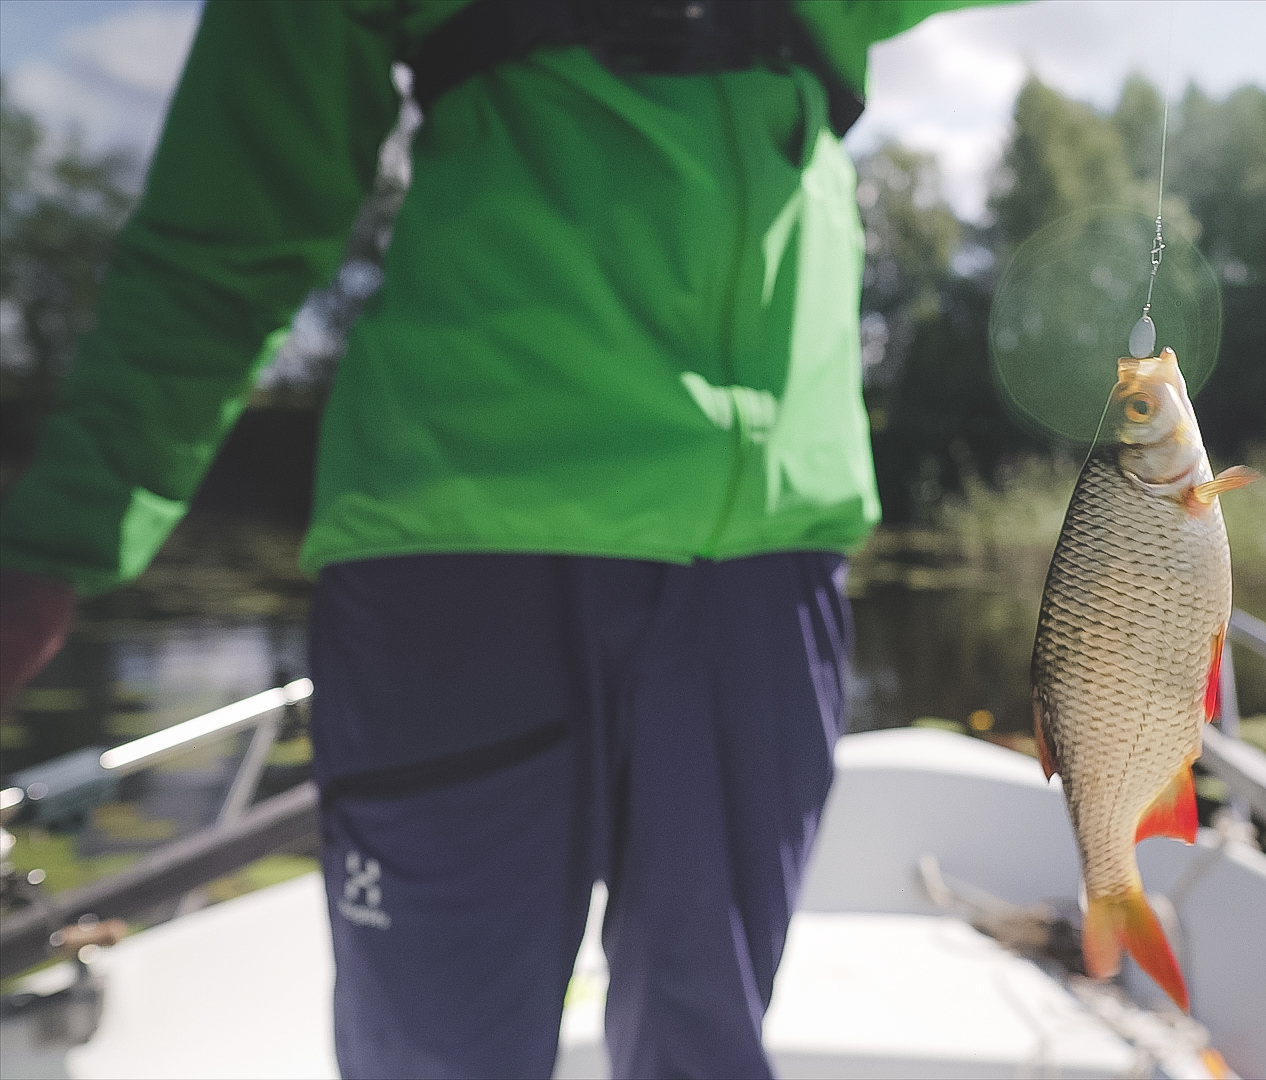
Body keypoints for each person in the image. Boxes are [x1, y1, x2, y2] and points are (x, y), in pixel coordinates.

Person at [0, 1, 986, 1075]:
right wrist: (58, 535)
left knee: (708, 1046)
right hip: (456, 580)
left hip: (766, 577)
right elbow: (225, 229)